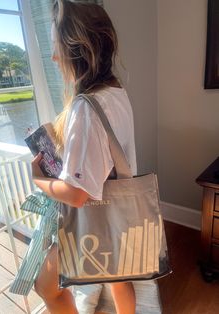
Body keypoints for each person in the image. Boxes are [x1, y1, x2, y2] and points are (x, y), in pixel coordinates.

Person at [31, 1, 137, 313]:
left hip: (91, 224)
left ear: (78, 48)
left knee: (45, 286)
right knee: (119, 276)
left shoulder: (85, 108)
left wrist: (39, 180)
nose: (53, 56)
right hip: (118, 217)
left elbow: (76, 195)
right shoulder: (116, 91)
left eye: (55, 46)